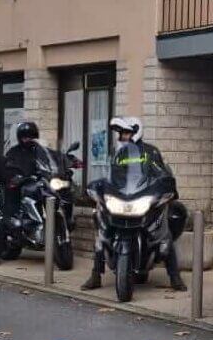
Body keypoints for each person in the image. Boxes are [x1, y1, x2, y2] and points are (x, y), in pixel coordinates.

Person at [80, 117, 187, 292]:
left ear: (136, 133)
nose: (122, 136)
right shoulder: (117, 155)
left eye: (126, 133)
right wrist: (99, 187)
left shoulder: (150, 152)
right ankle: (95, 275)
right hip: (122, 199)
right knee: (102, 235)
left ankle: (175, 277)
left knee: (164, 235)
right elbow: (110, 176)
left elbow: (162, 172)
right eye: (121, 133)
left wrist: (167, 185)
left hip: (142, 198)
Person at [0, 121, 47, 266]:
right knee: (6, 219)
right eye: (25, 137)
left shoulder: (40, 151)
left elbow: (50, 162)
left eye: (30, 137)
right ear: (20, 137)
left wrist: (65, 163)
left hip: (35, 186)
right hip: (16, 189)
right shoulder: (13, 152)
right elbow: (7, 166)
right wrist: (14, 177)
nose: (27, 139)